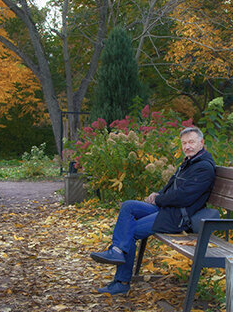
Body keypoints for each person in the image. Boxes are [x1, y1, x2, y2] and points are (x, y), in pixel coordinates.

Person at [90, 125, 216, 295]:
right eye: (184, 143)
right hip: (167, 209)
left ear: (201, 142)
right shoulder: (190, 162)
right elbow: (172, 184)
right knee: (128, 206)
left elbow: (184, 197)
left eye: (191, 142)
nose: (187, 146)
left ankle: (122, 281)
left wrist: (159, 200)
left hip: (178, 217)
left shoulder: (204, 167)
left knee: (130, 230)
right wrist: (159, 194)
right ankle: (117, 251)